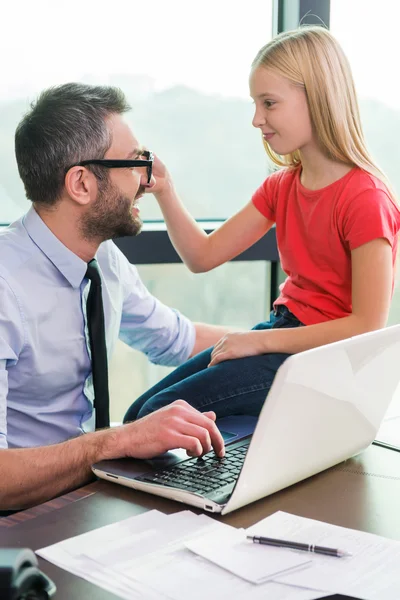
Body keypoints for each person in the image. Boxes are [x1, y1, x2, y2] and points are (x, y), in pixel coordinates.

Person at [124, 25, 400, 425]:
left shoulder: (365, 198)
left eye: (269, 103)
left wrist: (258, 341)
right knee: (138, 416)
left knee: (154, 417)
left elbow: (366, 326)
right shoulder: (282, 186)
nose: (257, 119)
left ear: (318, 98)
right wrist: (166, 190)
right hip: (282, 332)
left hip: (323, 361)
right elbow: (202, 256)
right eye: (256, 104)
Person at [0, 83, 230, 512]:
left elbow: (174, 339)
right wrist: (119, 441)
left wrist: (284, 341)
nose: (147, 180)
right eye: (135, 163)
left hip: (85, 498)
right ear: (82, 183)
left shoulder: (103, 259)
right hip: (21, 520)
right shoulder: (4, 288)